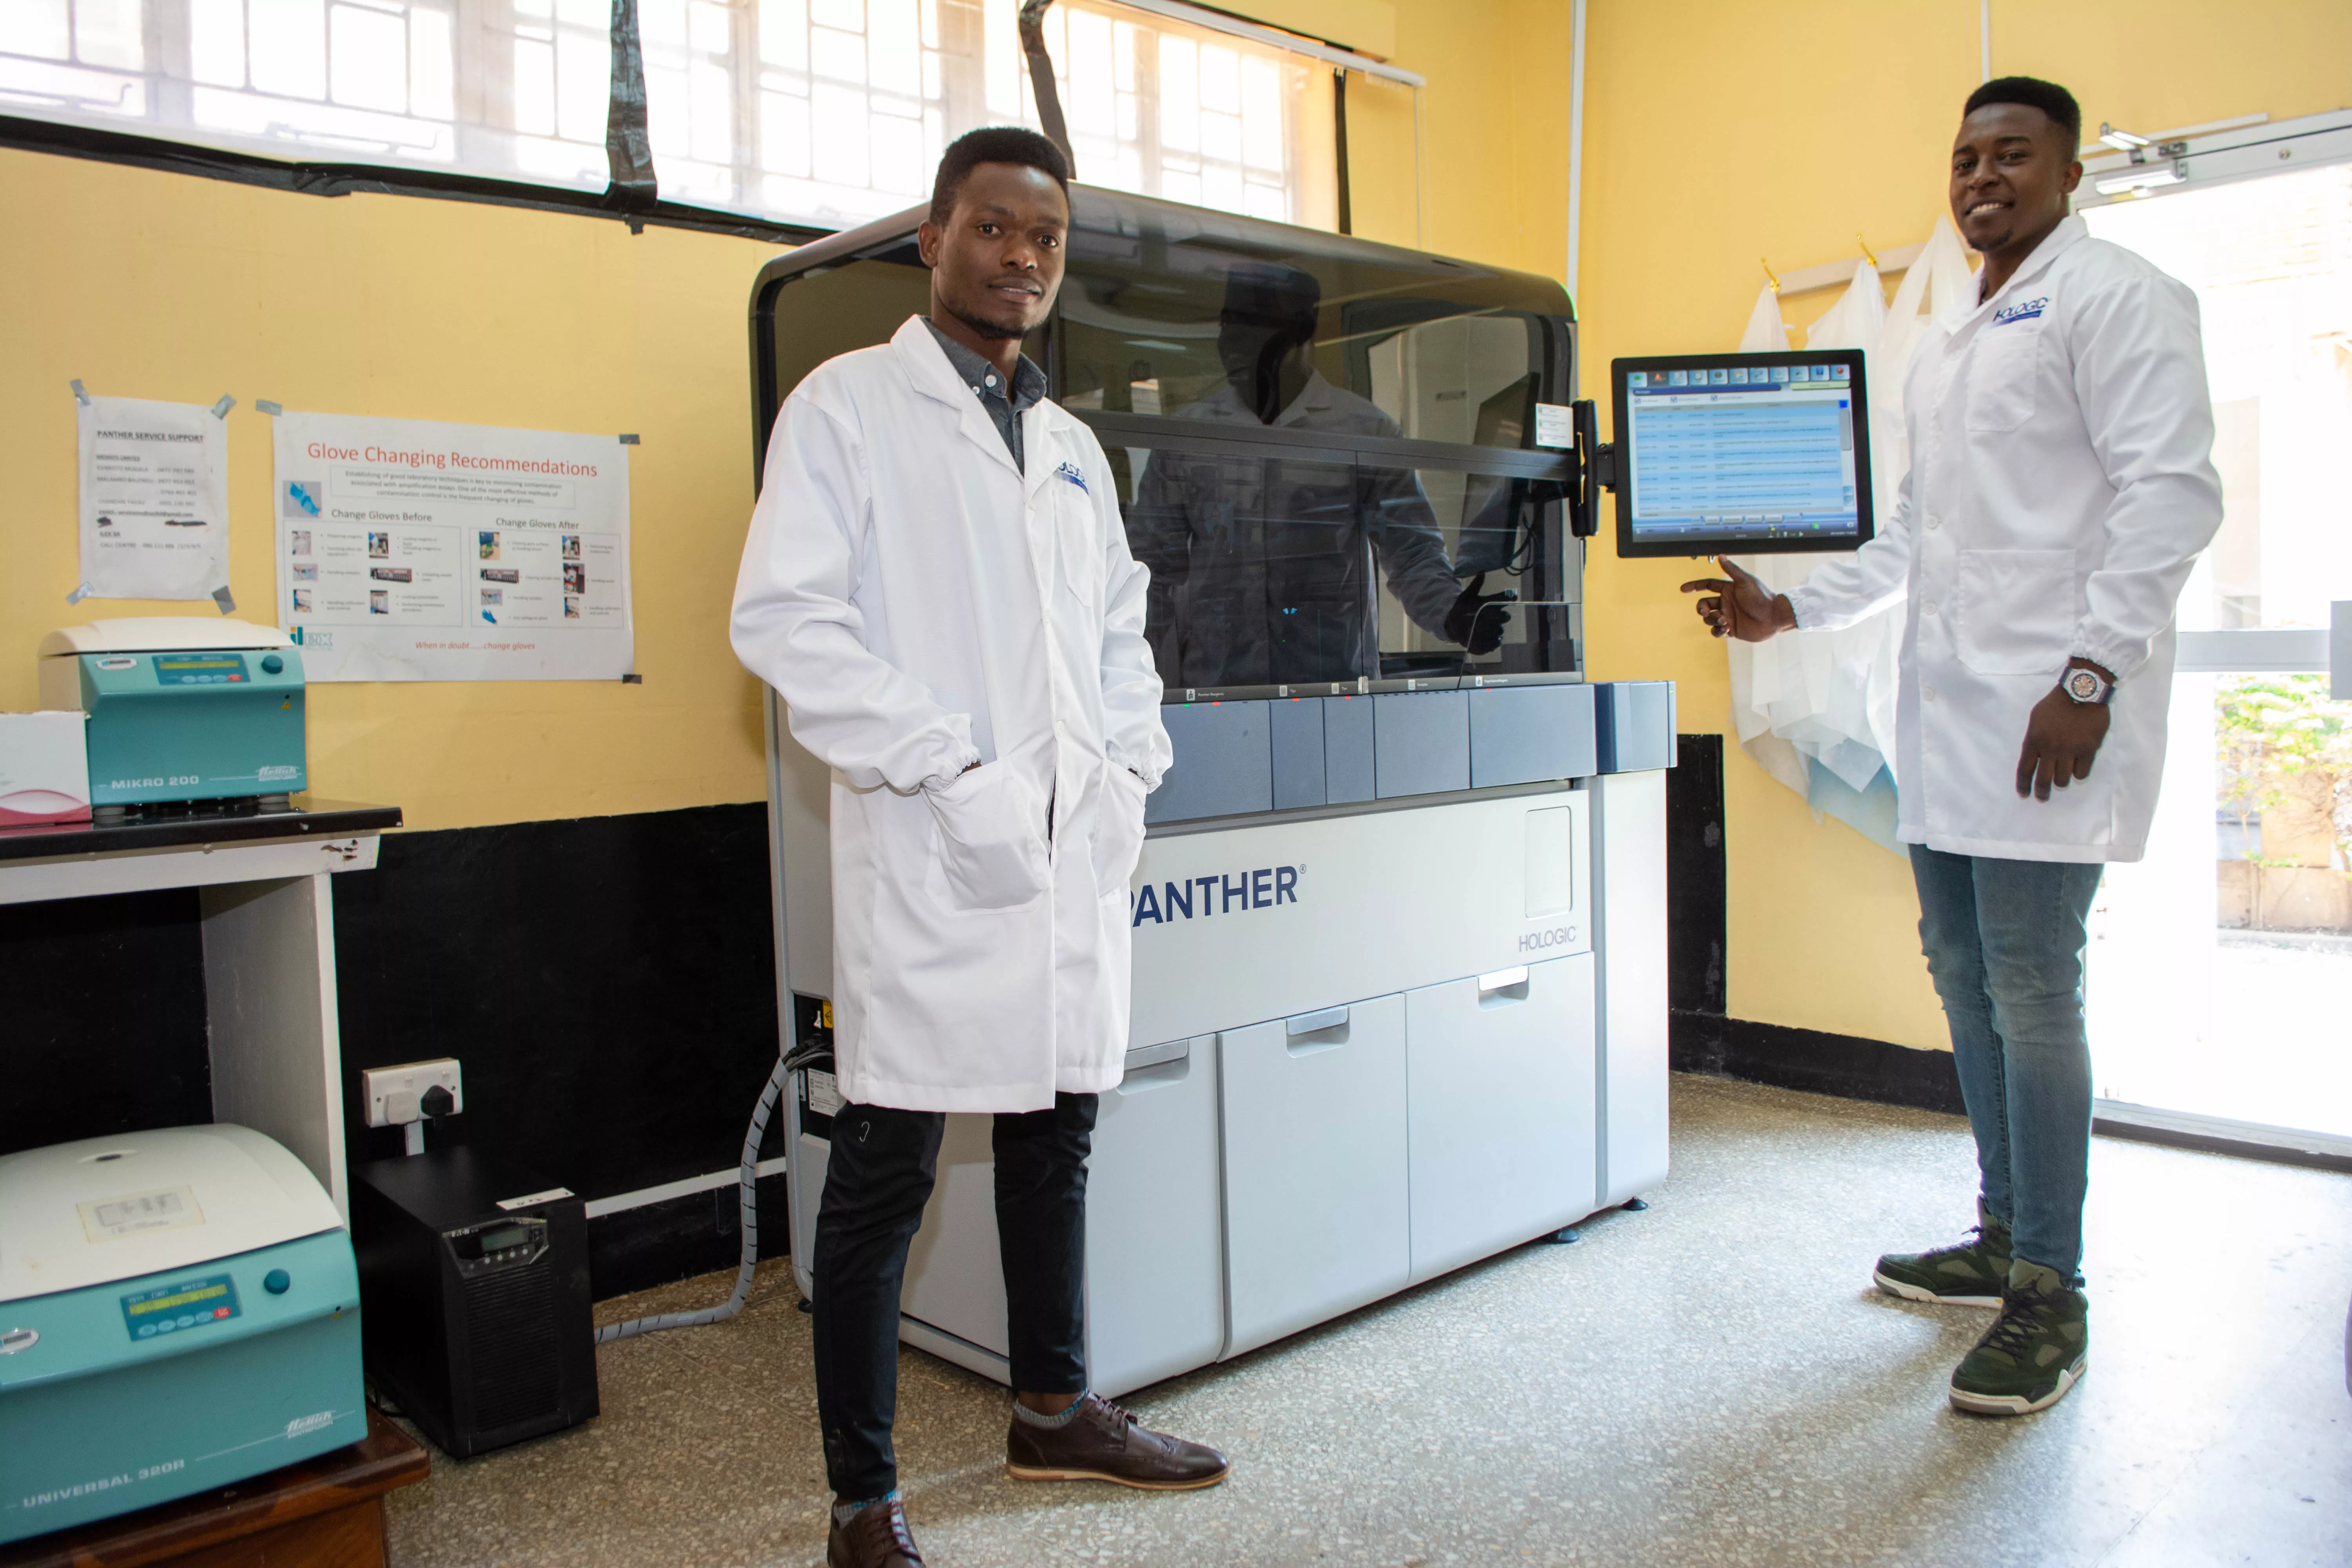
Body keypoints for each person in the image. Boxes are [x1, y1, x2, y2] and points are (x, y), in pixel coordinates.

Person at [1683, 76, 2221, 1417]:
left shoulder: (2118, 298)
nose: (1983, 175)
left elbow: (2173, 495)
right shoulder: (1956, 337)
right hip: (1951, 721)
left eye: (2014, 155)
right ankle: (1999, 1232)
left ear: (2068, 171)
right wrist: (1787, 609)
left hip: (2049, 718)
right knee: (1967, 976)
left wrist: (2091, 676)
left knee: (2035, 989)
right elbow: (1920, 537)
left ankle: (2051, 1286)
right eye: (1967, 155)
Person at [731, 127, 1230, 1568]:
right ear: (932, 239)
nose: (1023, 257)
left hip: (1070, 853)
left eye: (1047, 237)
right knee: (886, 1165)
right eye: (994, 228)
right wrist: (951, 763)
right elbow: (784, 625)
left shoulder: (1070, 444)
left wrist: (1135, 759)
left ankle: (1054, 1405)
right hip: (936, 848)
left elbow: (1116, 632)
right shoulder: (845, 410)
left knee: (1056, 1130)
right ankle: (861, 1500)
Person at [1128, 261, 1516, 687]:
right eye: (1228, 322)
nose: (1232, 340)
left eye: (1254, 323)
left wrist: (1452, 613)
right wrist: (1127, 674)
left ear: (1301, 328)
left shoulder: (1363, 433)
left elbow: (1411, 552)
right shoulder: (1190, 436)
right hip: (1217, 688)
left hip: (1332, 688)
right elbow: (1150, 569)